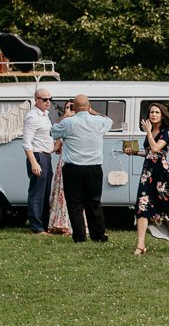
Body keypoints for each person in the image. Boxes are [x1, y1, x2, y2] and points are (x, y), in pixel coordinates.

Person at [51, 95, 111, 244]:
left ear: (74, 108)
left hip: (73, 168)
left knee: (75, 204)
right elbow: (109, 120)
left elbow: (53, 132)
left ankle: (79, 236)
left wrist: (65, 116)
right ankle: (98, 235)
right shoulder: (99, 121)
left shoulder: (68, 122)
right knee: (94, 202)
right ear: (89, 106)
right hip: (94, 167)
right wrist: (93, 112)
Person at [133, 103, 169, 254]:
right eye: (151, 112)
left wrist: (149, 133)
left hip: (161, 174)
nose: (153, 115)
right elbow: (150, 152)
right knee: (142, 207)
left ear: (162, 115)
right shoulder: (150, 132)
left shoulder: (167, 133)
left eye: (157, 112)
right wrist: (135, 153)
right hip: (147, 173)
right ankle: (140, 245)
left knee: (167, 209)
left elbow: (156, 149)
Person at [22, 85, 55, 234]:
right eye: (45, 99)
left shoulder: (45, 115)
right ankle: (35, 227)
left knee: (45, 192)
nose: (48, 102)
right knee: (37, 193)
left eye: (49, 99)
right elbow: (27, 142)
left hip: (46, 156)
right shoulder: (32, 117)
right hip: (37, 156)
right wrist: (33, 162)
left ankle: (43, 225)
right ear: (36, 100)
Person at [46, 135, 71, 235]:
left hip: (66, 161)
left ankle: (62, 223)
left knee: (63, 191)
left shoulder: (65, 129)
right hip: (78, 161)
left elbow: (55, 148)